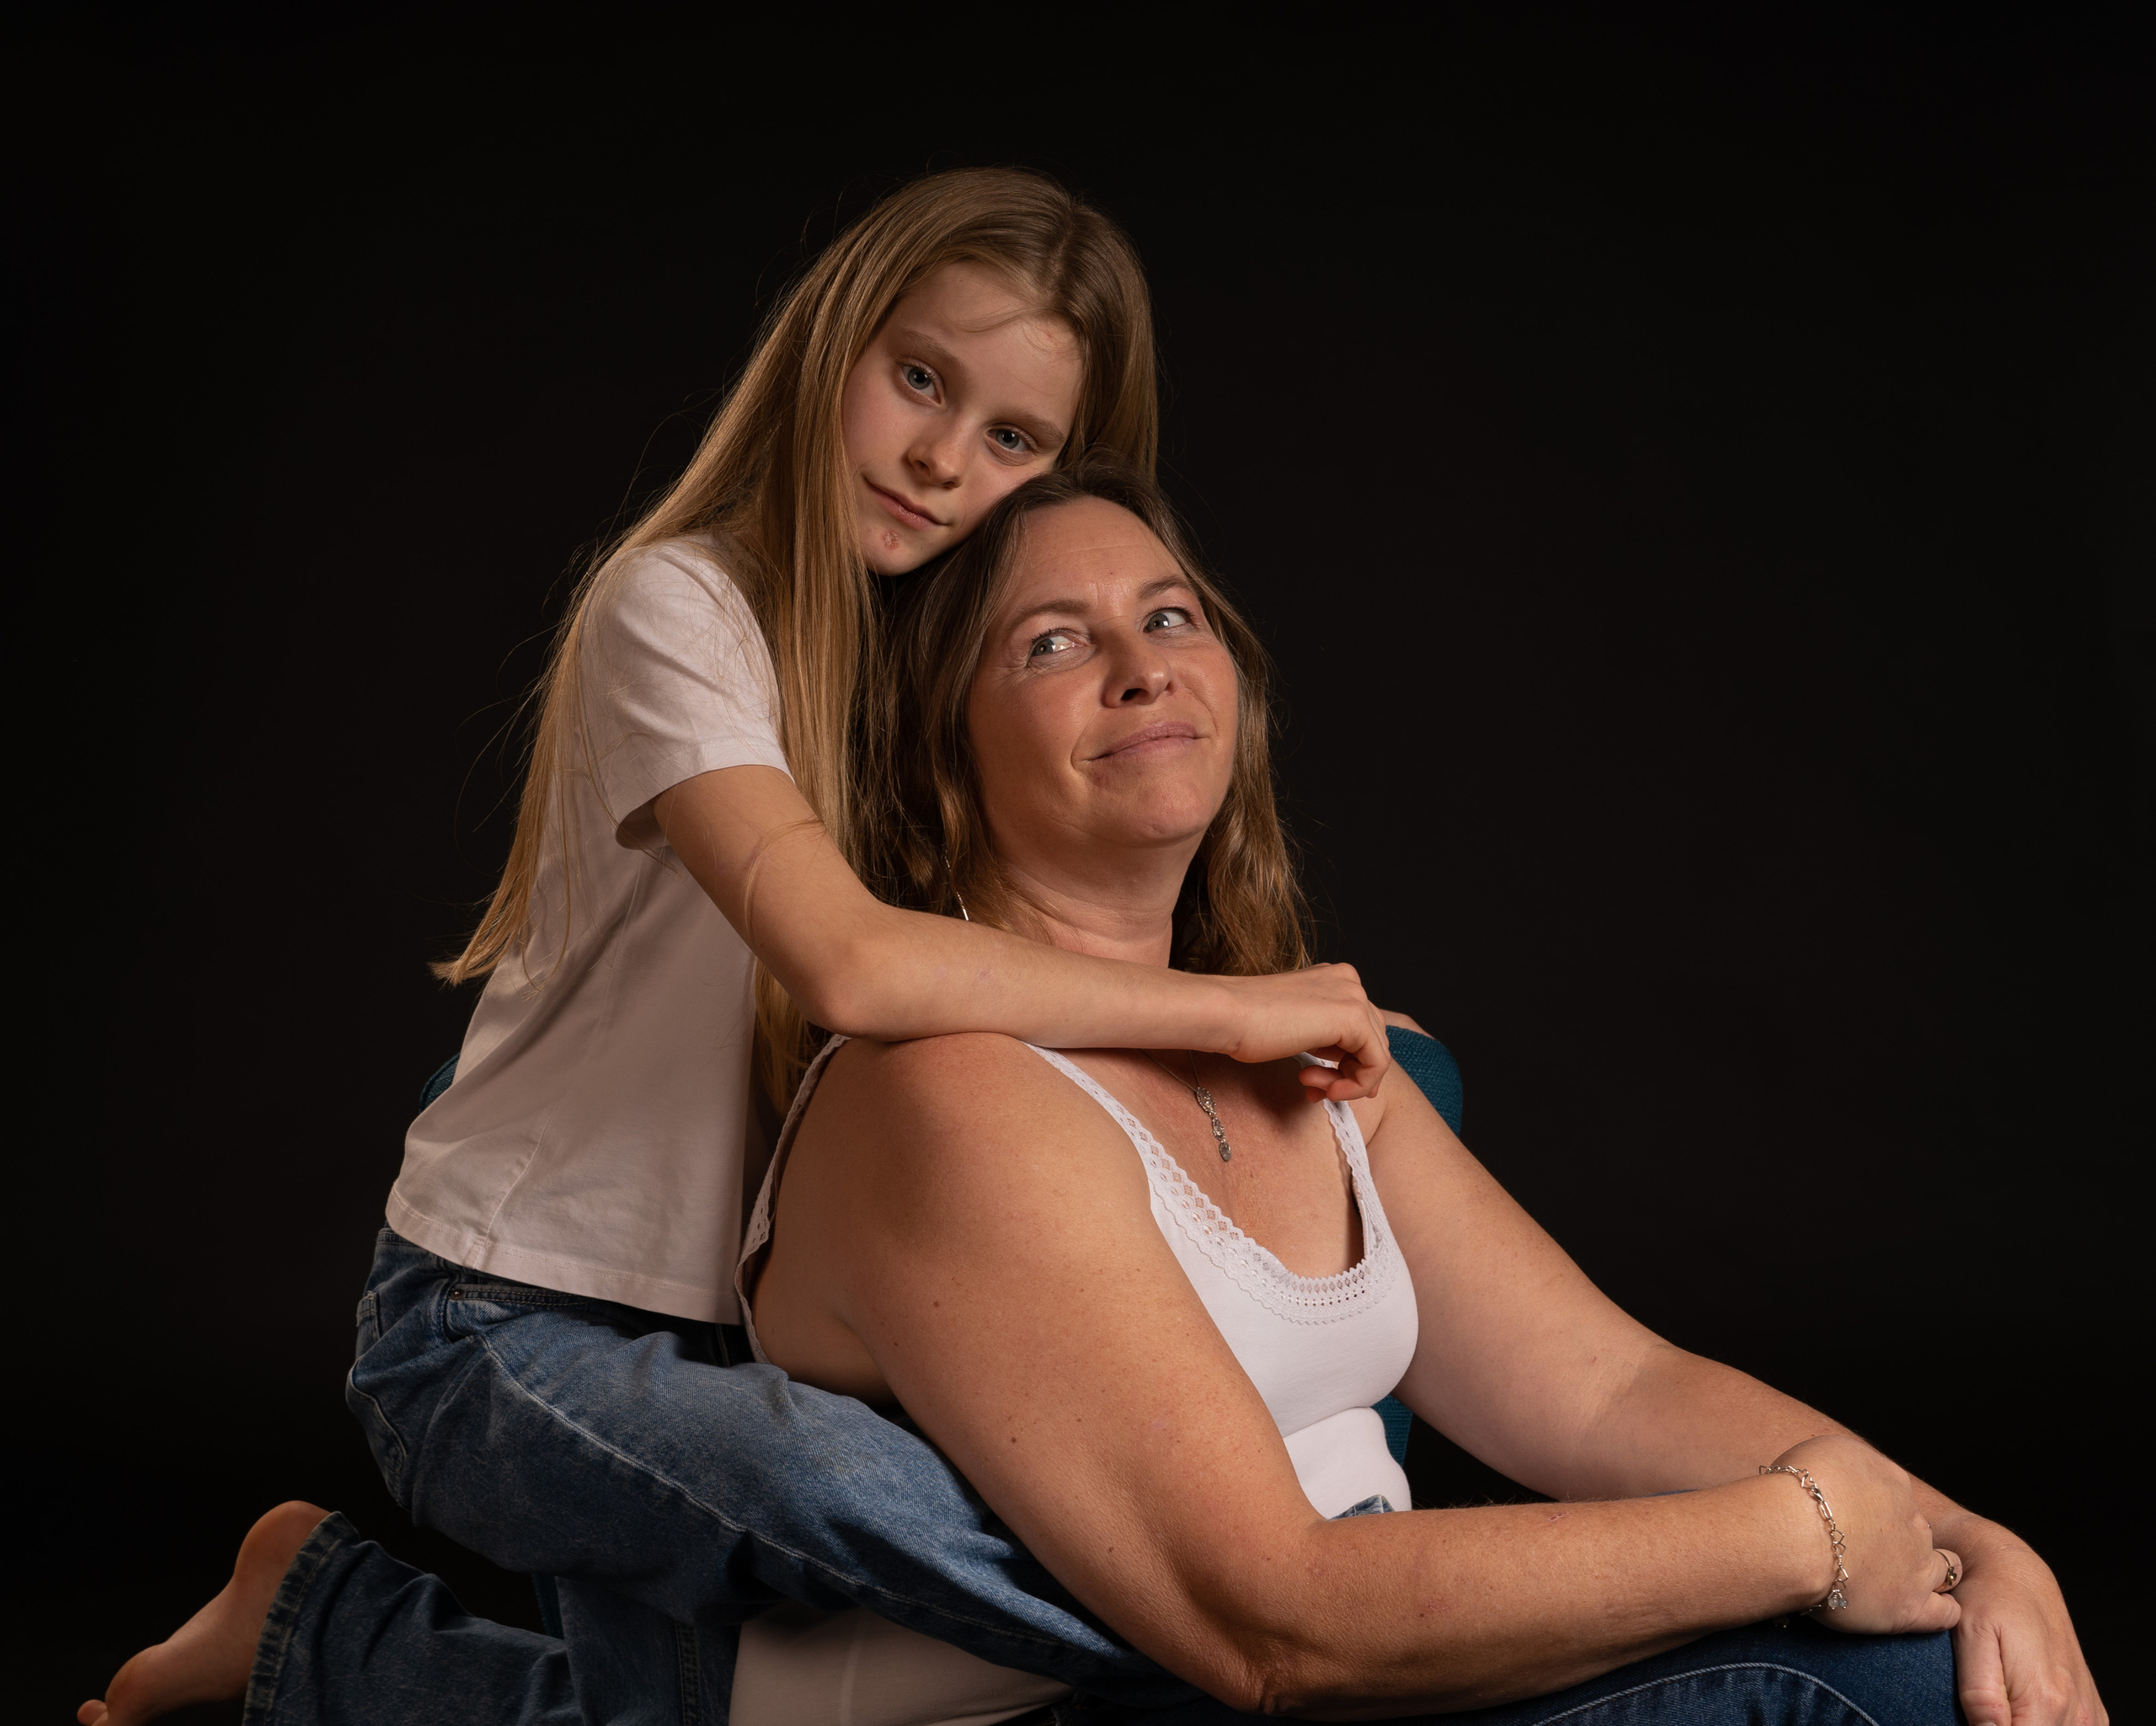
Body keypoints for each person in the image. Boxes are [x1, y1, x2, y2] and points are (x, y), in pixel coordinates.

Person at [78, 170, 1388, 1726]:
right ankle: (1358, 1639)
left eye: (1012, 439)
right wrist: (1220, 1010)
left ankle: (315, 1616)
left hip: (744, 1318)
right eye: (918, 379)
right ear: (830, 341)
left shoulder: (936, 658)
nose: (938, 459)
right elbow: (848, 963)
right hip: (500, 1327)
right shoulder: (682, 606)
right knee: (923, 1504)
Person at [733, 460, 2107, 1726]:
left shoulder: (1303, 1059)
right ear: (935, 758)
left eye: (1169, 616)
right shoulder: (949, 1094)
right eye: (1051, 642)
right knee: (1890, 1692)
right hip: (1097, 1701)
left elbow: (1612, 1390)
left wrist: (1982, 1546)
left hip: (1325, 1684)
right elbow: (1271, 1621)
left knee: (1956, 1652)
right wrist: (1805, 1532)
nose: (1142, 669)